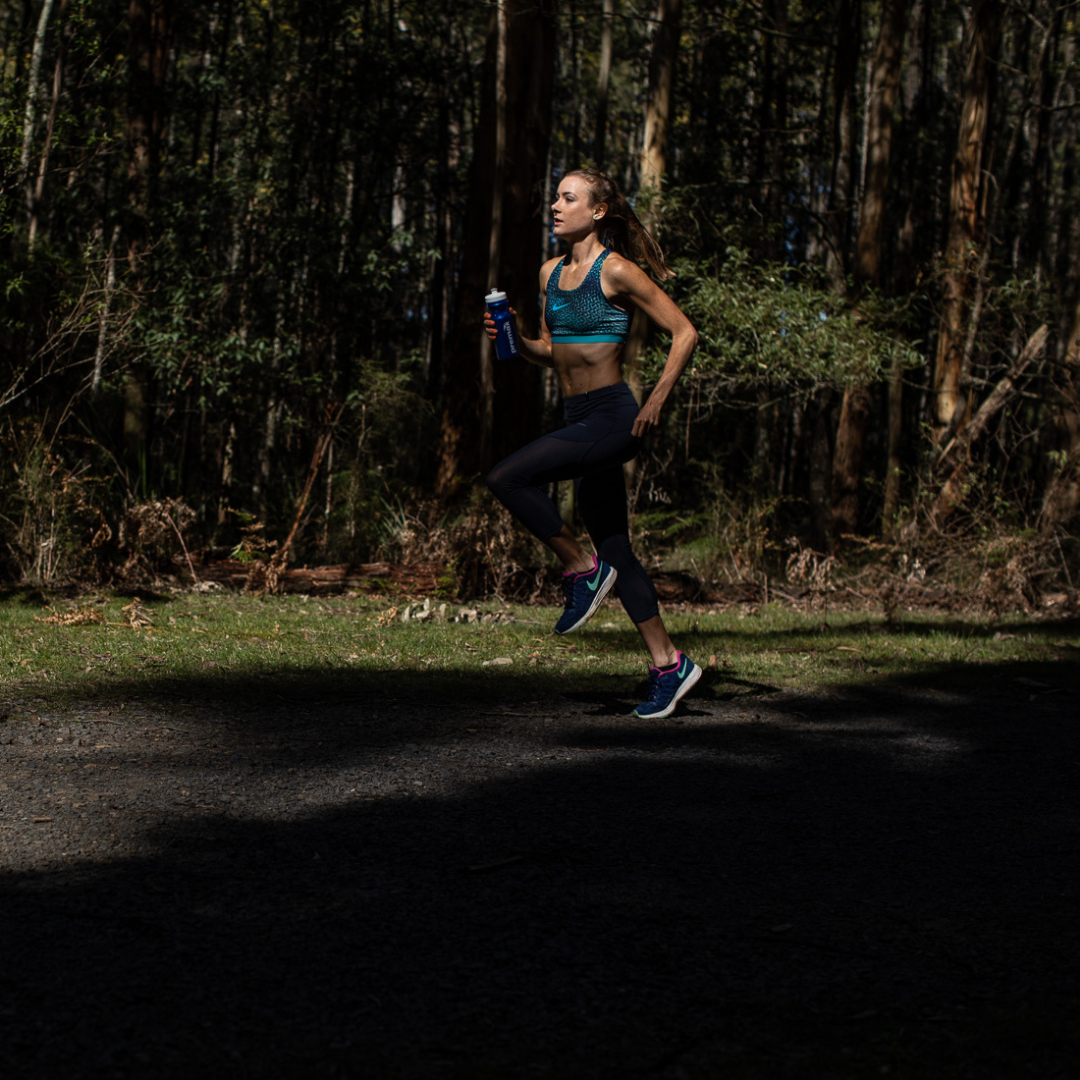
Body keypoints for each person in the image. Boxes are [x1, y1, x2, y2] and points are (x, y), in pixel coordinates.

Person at [483, 168, 701, 720]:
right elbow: (551, 351)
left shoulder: (618, 270)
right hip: (577, 416)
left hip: (610, 418)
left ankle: (581, 568)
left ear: (597, 211)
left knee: (506, 477)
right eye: (555, 195)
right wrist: (513, 340)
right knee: (619, 550)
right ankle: (669, 665)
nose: (556, 205)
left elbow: (685, 331)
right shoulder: (549, 274)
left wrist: (655, 400)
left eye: (568, 197)